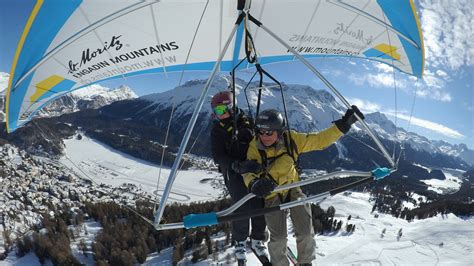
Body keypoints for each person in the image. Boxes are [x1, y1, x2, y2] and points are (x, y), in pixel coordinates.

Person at [243, 106, 364, 266]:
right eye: (261, 131)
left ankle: (306, 262)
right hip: (272, 193)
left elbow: (319, 140)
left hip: (293, 188)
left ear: (279, 132)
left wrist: (343, 125)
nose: (264, 136)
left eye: (269, 132)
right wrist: (254, 183)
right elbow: (248, 172)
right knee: (278, 238)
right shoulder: (255, 147)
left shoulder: (291, 140)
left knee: (306, 233)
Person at [210, 91, 268, 262]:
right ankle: (240, 240)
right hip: (234, 171)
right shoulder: (217, 129)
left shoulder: (248, 122)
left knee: (259, 201)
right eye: (215, 111)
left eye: (220, 110)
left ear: (231, 107)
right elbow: (217, 156)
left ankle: (258, 238)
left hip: (252, 167)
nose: (217, 115)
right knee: (241, 203)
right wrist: (235, 165)